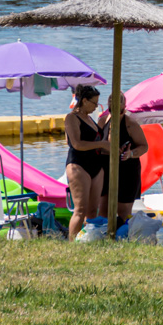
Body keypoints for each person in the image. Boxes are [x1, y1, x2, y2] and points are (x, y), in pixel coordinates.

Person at [97, 91, 148, 229]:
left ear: (124, 106)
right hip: (106, 168)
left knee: (123, 212)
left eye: (118, 104)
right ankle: (105, 236)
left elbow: (144, 146)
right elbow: (97, 145)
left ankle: (122, 235)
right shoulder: (102, 122)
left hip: (127, 169)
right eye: (111, 103)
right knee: (103, 211)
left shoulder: (130, 124)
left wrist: (131, 153)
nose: (114, 106)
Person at [63, 85, 109, 239]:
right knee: (80, 209)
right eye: (94, 103)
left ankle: (87, 239)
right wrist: (102, 144)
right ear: (84, 101)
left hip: (96, 165)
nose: (96, 106)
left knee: (93, 210)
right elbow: (76, 144)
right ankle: (72, 243)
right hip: (78, 164)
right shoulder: (72, 118)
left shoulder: (89, 118)